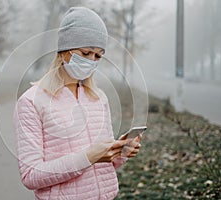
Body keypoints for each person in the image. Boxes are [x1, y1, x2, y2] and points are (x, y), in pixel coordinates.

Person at [14, 7, 141, 200]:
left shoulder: (98, 98)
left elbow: (105, 165)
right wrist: (88, 157)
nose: (91, 61)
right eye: (86, 52)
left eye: (98, 56)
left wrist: (120, 152)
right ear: (64, 51)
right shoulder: (31, 102)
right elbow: (30, 176)